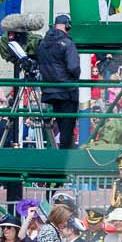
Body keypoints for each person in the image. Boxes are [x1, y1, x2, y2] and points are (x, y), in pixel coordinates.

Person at [37, 12, 82, 149]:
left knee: (59, 124)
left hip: (50, 92)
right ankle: (64, 158)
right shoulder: (67, 44)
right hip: (67, 92)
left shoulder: (42, 44)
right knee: (67, 130)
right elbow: (74, 67)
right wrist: (76, 76)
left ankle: (59, 155)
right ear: (67, 26)